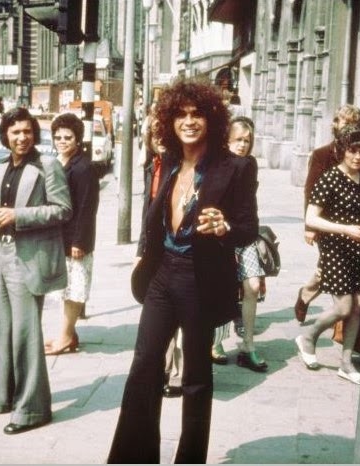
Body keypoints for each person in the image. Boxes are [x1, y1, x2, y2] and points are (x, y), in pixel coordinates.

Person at [107, 78, 259, 464]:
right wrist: (144, 252)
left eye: (197, 114)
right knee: (144, 366)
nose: (189, 121)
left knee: (195, 378)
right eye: (180, 114)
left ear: (211, 119)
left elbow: (248, 228)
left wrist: (224, 226)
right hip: (162, 275)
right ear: (169, 120)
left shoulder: (235, 167)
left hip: (199, 278)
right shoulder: (170, 161)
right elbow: (154, 216)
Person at [0, 107, 72, 435]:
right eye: (15, 132)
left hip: (30, 258)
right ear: (5, 135)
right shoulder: (3, 166)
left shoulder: (47, 165)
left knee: (26, 335)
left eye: (27, 131)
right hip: (5, 252)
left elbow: (63, 210)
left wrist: (18, 215)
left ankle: (32, 410)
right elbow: (4, 206)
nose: (22, 137)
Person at [295, 125, 360, 385]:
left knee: (358, 306)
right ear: (343, 151)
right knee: (343, 306)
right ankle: (308, 336)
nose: (357, 156)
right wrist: (345, 229)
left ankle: (346, 362)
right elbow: (311, 218)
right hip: (336, 250)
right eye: (352, 151)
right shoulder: (330, 178)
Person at [293, 104, 360, 323]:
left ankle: (308, 295)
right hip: (326, 222)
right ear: (336, 124)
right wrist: (310, 227)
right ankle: (330, 309)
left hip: (355, 222)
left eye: (355, 123)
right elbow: (310, 190)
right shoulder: (322, 154)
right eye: (346, 122)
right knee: (332, 267)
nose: (350, 127)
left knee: (332, 269)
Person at [213, 116, 267, 372]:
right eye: (238, 140)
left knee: (253, 286)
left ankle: (247, 345)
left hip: (245, 235)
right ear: (227, 140)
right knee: (222, 289)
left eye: (247, 140)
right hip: (222, 236)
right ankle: (216, 342)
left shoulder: (249, 163)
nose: (243, 145)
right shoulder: (219, 164)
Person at [44, 113, 100, 355]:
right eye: (58, 137)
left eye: (68, 137)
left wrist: (80, 241)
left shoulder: (83, 167)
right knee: (65, 289)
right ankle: (69, 334)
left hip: (76, 240)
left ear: (78, 139)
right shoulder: (58, 162)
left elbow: (88, 207)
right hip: (60, 237)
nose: (62, 141)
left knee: (74, 289)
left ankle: (65, 337)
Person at [136, 115, 184, 398]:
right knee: (161, 317)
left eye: (164, 133)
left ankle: (179, 374)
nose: (160, 140)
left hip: (179, 249)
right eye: (155, 134)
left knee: (181, 320)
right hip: (156, 251)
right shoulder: (152, 166)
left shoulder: (180, 165)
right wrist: (140, 250)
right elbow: (147, 213)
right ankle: (165, 369)